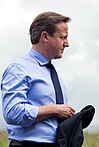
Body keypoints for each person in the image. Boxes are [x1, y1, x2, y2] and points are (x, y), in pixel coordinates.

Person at [1, 11, 75, 147]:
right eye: (63, 37)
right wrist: (53, 110)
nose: (67, 43)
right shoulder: (19, 69)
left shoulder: (53, 74)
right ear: (45, 36)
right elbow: (12, 112)